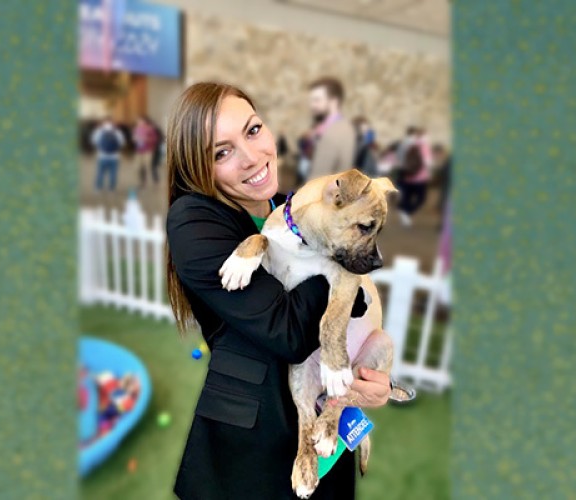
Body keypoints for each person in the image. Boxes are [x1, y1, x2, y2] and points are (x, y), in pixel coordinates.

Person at [165, 82, 391, 500]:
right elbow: (287, 330)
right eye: (222, 152)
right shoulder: (194, 221)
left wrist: (369, 378)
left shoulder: (292, 210)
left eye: (253, 130)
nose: (253, 157)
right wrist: (341, 271)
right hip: (252, 450)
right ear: (198, 166)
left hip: (326, 437)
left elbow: (357, 298)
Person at [307, 77, 356, 180]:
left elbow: (318, 177)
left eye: (317, 100)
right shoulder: (341, 127)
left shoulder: (334, 133)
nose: (312, 105)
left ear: (334, 101)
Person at [396, 127, 432, 227]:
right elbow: (428, 162)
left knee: (407, 197)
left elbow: (400, 159)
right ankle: (407, 212)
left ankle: (404, 211)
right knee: (421, 198)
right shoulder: (424, 146)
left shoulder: (408, 144)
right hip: (420, 177)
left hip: (408, 175)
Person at [91, 117, 125, 191]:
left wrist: (100, 148)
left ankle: (98, 188)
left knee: (100, 172)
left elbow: (94, 141)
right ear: (113, 123)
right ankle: (111, 188)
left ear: (103, 123)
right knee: (113, 173)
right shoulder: (117, 131)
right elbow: (122, 143)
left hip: (102, 155)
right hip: (115, 156)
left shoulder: (98, 131)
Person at [132, 115, 157, 188]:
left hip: (147, 151)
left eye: (140, 121)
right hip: (139, 151)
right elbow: (134, 138)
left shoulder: (150, 129)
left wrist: (146, 139)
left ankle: (148, 183)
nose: (139, 122)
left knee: (147, 167)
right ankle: (141, 182)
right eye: (138, 121)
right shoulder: (137, 129)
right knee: (138, 167)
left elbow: (154, 139)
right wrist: (134, 139)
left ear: (144, 121)